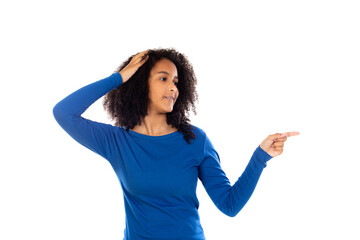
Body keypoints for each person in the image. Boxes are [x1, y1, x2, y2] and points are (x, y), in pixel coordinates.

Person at [53, 48, 299, 240]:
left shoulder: (195, 140)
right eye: (163, 78)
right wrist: (118, 78)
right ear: (140, 83)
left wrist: (260, 157)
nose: (173, 87)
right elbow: (64, 113)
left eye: (176, 81)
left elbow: (229, 204)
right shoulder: (117, 141)